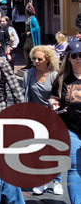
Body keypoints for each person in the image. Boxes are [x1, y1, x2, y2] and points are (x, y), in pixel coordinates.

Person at [21, 45, 63, 195]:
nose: (36, 61)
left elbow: (59, 97)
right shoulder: (29, 74)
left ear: (48, 60)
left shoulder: (54, 75)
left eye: (40, 59)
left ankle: (57, 180)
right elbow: (25, 95)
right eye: (34, 58)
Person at [50, 38, 81, 203]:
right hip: (70, 128)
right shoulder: (62, 80)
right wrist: (54, 104)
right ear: (68, 58)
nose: (78, 58)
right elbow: (54, 98)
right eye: (75, 55)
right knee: (75, 167)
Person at [23, 2, 41, 68]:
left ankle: (32, 64)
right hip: (28, 38)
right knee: (26, 49)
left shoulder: (33, 19)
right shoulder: (28, 18)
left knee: (31, 50)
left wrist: (30, 32)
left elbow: (37, 28)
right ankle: (27, 64)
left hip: (31, 38)